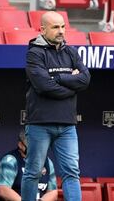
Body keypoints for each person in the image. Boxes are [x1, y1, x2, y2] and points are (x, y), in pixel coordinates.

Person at [22, 11, 91, 201]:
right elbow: (44, 86)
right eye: (55, 27)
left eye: (62, 26)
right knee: (33, 172)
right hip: (39, 124)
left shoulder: (71, 51)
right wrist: (71, 86)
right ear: (42, 29)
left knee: (71, 173)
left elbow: (85, 79)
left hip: (67, 125)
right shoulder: (34, 53)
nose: (61, 31)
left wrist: (58, 78)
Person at [0, 130, 57, 201]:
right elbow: (3, 190)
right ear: (20, 145)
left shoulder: (47, 162)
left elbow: (53, 192)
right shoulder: (10, 160)